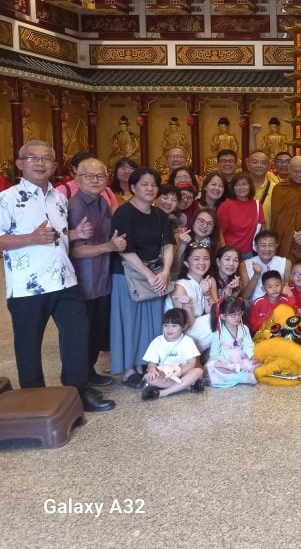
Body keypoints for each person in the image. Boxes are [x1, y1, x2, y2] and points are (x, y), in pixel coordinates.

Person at [0, 141, 115, 412]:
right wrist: (31, 237)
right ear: (20, 164)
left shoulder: (60, 198)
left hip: (64, 280)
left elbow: (59, 236)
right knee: (29, 345)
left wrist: (77, 235)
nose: (40, 163)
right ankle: (33, 399)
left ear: (54, 165)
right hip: (29, 287)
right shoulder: (7, 199)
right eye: (33, 158)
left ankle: (78, 390)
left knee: (77, 335)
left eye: (46, 159)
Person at [110, 166, 175, 389]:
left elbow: (168, 244)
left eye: (153, 184)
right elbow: (124, 249)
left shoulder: (159, 214)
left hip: (156, 276)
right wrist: (148, 274)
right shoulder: (123, 213)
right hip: (129, 275)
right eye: (144, 184)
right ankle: (129, 370)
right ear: (134, 186)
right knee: (131, 322)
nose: (149, 188)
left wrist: (164, 272)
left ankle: (145, 365)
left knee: (152, 322)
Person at [68, 157, 127, 386]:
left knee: (95, 330)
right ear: (77, 178)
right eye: (89, 176)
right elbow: (76, 251)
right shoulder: (75, 205)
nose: (95, 180)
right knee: (80, 333)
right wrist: (109, 247)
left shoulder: (103, 202)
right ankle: (79, 382)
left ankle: (89, 373)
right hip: (84, 281)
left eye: (100, 176)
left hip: (102, 279)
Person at [140, 308, 205, 401]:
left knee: (198, 371)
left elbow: (192, 363)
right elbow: (152, 362)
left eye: (174, 326)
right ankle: (187, 386)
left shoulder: (188, 341)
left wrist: (178, 374)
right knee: (149, 379)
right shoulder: (157, 341)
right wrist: (152, 370)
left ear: (184, 326)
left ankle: (163, 393)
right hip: (163, 375)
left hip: (181, 374)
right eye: (166, 325)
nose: (169, 329)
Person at [165, 243, 217, 355]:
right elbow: (185, 324)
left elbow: (212, 310)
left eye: (206, 259)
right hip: (182, 332)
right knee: (221, 320)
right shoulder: (180, 286)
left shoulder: (210, 280)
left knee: (223, 317)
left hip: (199, 328)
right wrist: (187, 305)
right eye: (196, 259)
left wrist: (206, 293)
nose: (202, 263)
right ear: (187, 263)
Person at [205, 296, 258, 388]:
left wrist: (252, 356)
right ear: (223, 316)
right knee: (211, 365)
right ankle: (242, 377)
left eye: (239, 314)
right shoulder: (218, 333)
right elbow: (214, 354)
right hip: (226, 362)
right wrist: (226, 363)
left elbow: (248, 345)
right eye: (233, 315)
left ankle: (240, 374)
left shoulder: (244, 328)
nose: (237, 317)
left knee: (258, 362)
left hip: (241, 359)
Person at [216, 173, 263, 258]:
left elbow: (260, 230)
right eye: (237, 185)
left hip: (250, 253)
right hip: (230, 253)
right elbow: (219, 233)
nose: (241, 188)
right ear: (233, 188)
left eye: (244, 184)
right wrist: (224, 253)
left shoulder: (257, 205)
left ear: (250, 186)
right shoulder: (226, 206)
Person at [241, 230, 291, 303]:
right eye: (263, 245)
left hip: (279, 304)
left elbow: (287, 291)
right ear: (256, 247)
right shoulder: (245, 265)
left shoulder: (286, 263)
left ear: (276, 246)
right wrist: (256, 275)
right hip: (255, 304)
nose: (267, 249)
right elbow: (245, 296)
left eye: (271, 245)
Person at [245, 149, 276, 228]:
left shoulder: (276, 188)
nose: (259, 165)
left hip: (267, 237)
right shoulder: (239, 188)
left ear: (269, 166)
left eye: (263, 163)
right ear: (247, 164)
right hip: (243, 238)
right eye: (255, 162)